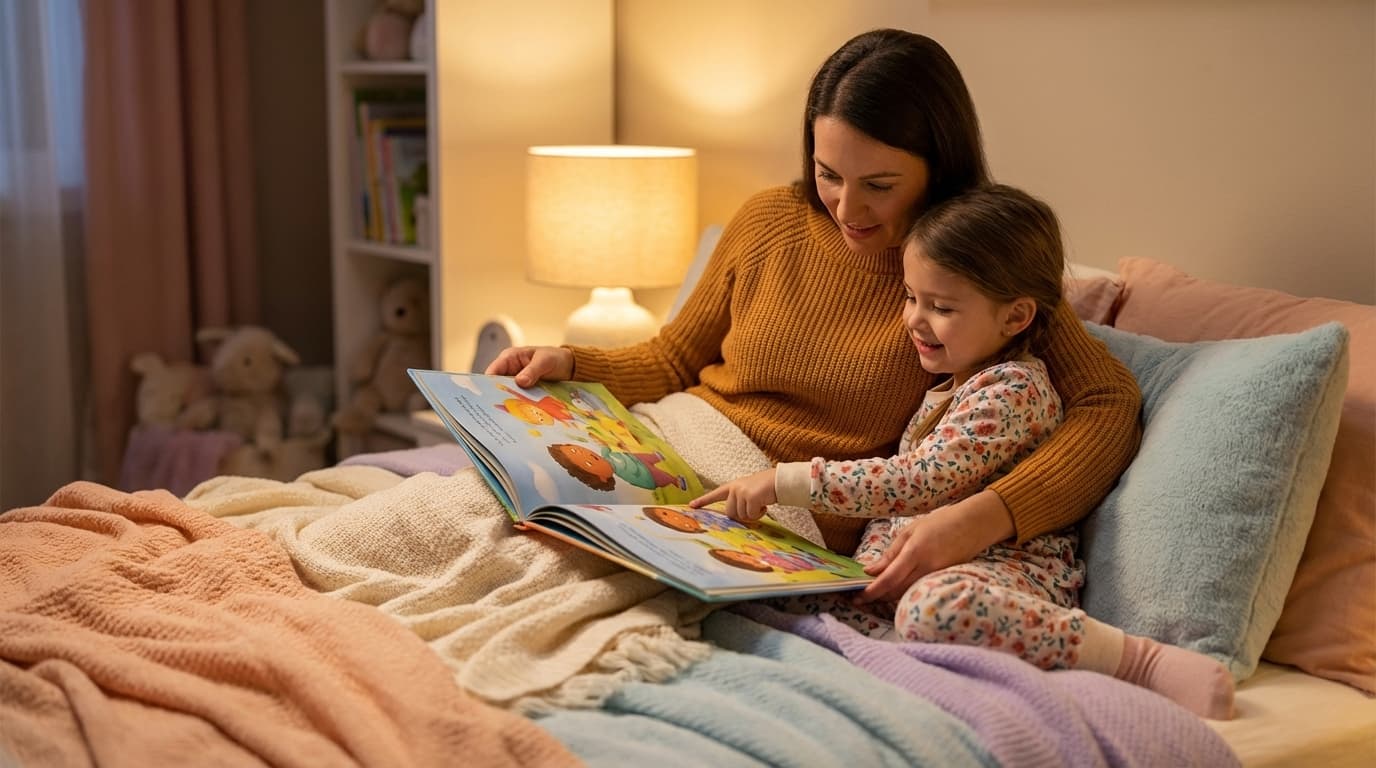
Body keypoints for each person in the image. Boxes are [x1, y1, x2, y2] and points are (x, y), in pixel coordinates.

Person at [486, 29, 1139, 608]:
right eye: (829, 174)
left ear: (939, 166)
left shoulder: (973, 273)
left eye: (878, 185)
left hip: (771, 511)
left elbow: (1108, 402)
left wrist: (990, 516)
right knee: (481, 514)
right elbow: (672, 359)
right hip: (665, 440)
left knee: (536, 572)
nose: (845, 207)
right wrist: (572, 363)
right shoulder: (768, 220)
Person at [691, 184, 1234, 719]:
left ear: (1016, 317)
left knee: (935, 609)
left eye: (941, 307)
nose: (914, 320)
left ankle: (1136, 661)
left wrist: (783, 482)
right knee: (766, 598)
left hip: (1001, 575)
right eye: (910, 297)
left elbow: (919, 480)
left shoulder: (1012, 390)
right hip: (906, 571)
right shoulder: (949, 382)